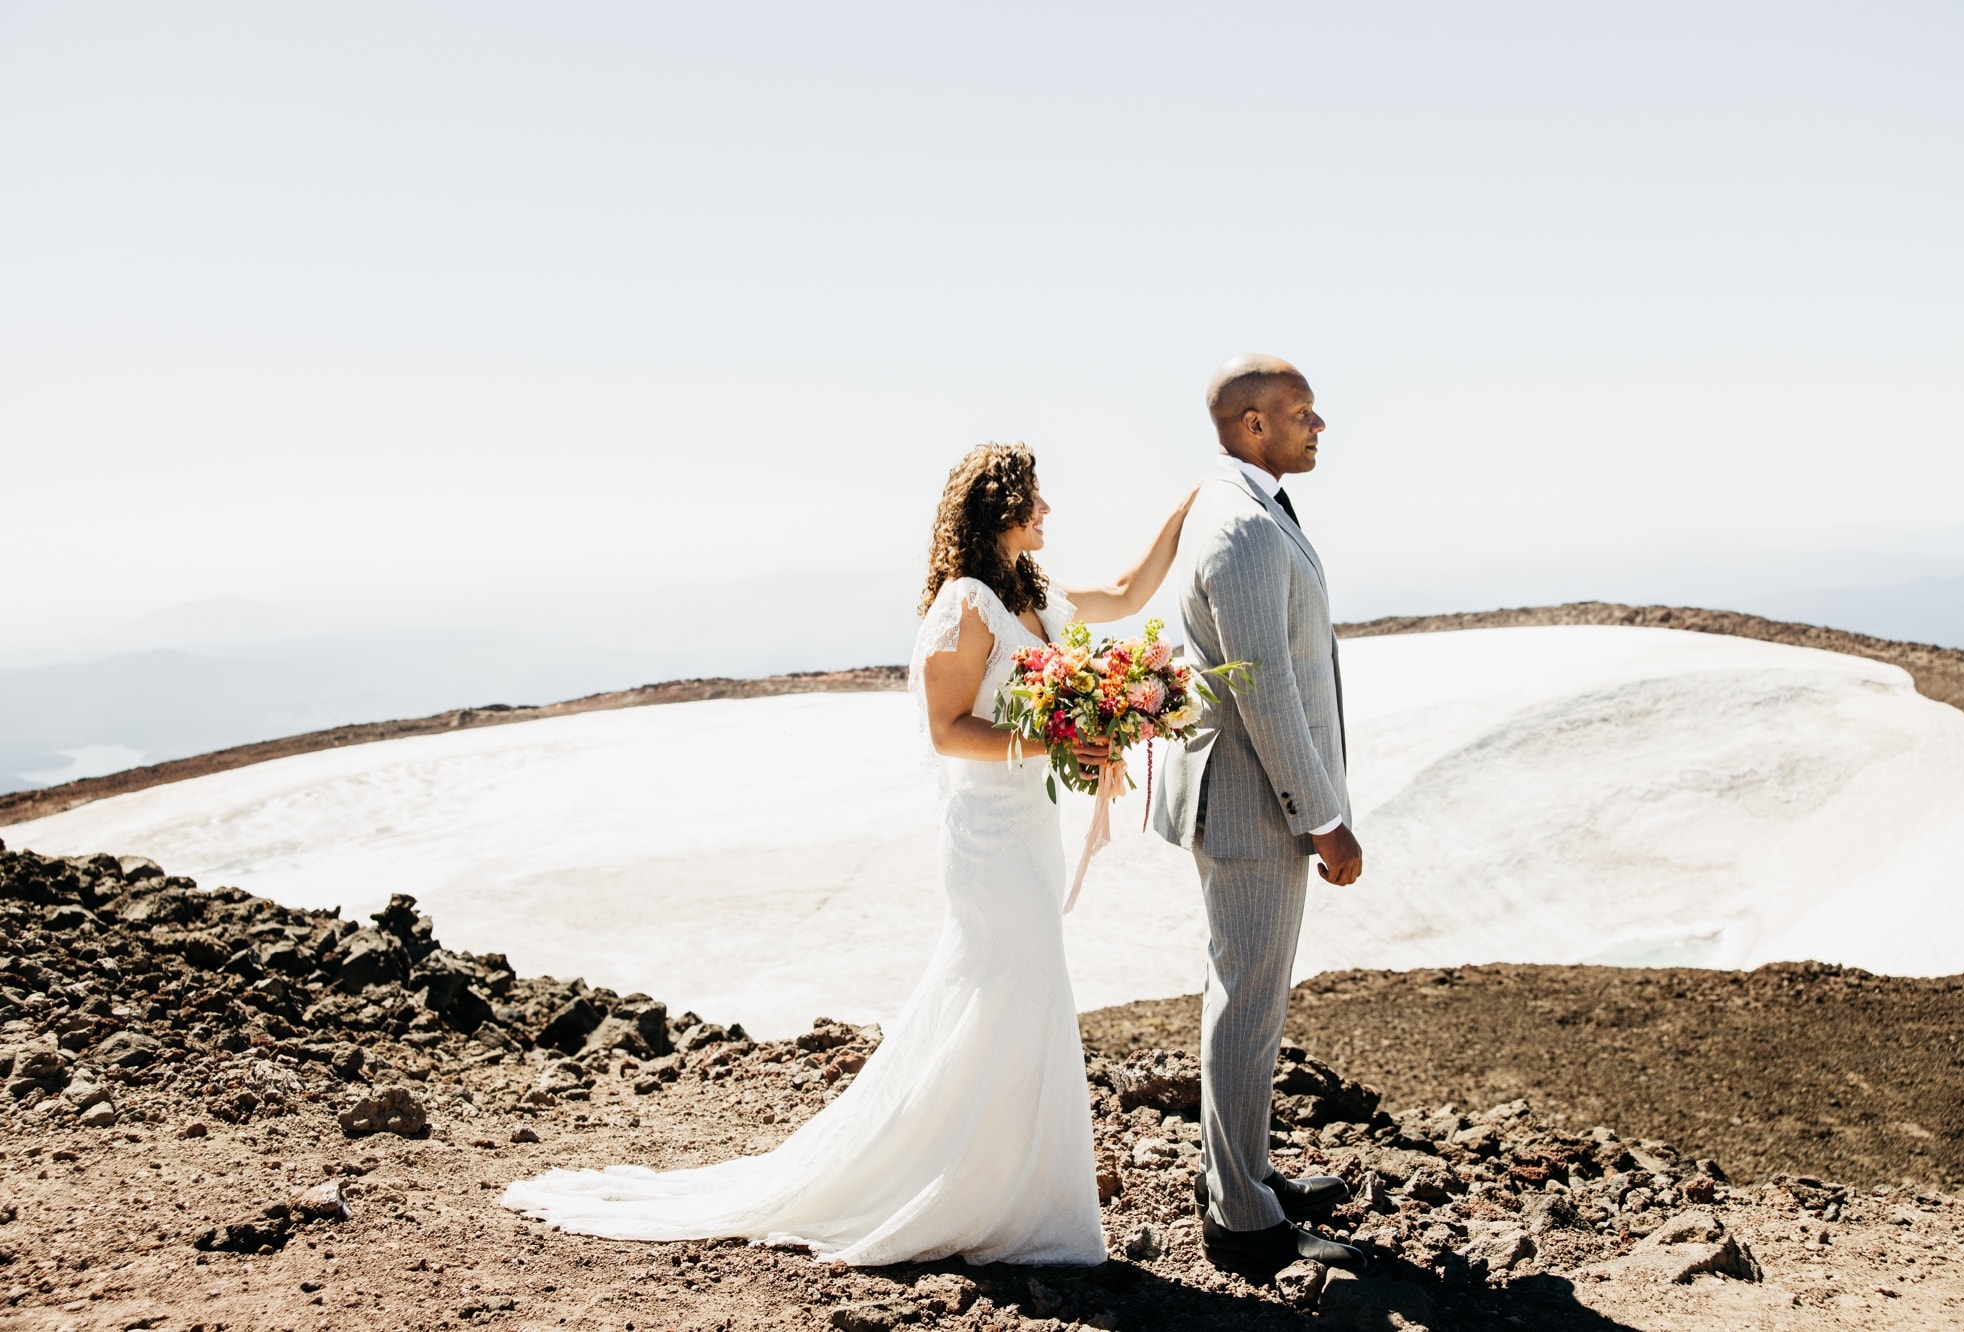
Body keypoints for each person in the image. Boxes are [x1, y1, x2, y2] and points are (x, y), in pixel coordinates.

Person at [501, 442, 1193, 1267]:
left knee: (1018, 998)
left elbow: (1126, 592)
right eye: (1035, 500)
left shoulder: (1033, 593)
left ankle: (1002, 1185)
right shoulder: (964, 605)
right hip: (989, 842)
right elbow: (948, 730)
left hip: (1030, 836)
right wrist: (1056, 734)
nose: (1048, 512)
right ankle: (983, 1196)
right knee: (1020, 985)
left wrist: (1190, 507)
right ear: (999, 511)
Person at [1152, 354, 1369, 1276]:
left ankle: (1250, 1175)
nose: (1319, 426)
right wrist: (1324, 816)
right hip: (1252, 807)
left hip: (1248, 799)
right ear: (1251, 426)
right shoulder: (1239, 526)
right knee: (1245, 1004)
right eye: (1302, 413)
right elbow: (1263, 691)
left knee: (1251, 997)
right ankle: (1241, 1220)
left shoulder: (1248, 504)